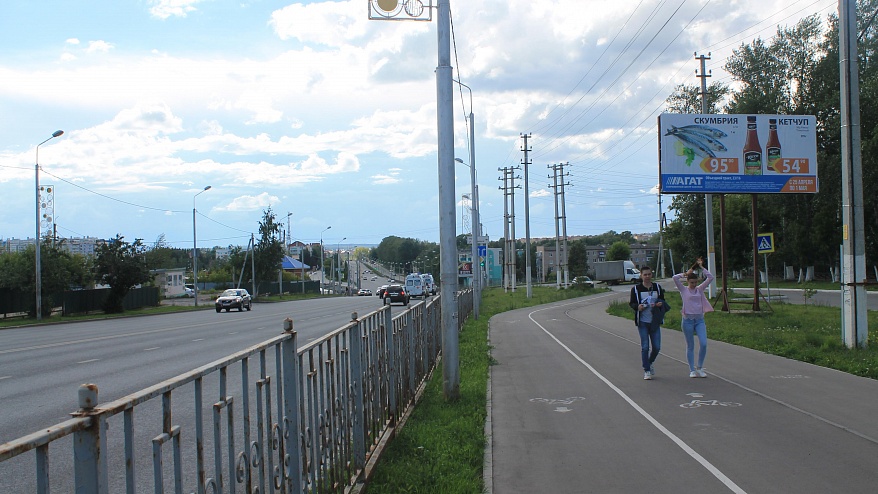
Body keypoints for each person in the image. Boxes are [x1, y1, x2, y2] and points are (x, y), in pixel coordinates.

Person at [672, 257, 715, 378]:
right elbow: (674, 278)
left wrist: (701, 267)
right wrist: (685, 274)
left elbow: (710, 277)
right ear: (687, 282)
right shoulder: (683, 290)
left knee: (704, 343)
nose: (694, 284)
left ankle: (700, 367)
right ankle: (692, 369)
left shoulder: (699, 289)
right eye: (691, 282)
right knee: (690, 345)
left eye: (695, 282)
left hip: (699, 320)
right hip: (688, 321)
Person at [629, 266, 666, 380]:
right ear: (641, 275)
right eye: (645, 274)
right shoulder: (636, 289)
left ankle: (649, 362)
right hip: (643, 322)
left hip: (654, 321)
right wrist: (638, 307)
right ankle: (647, 370)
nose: (647, 276)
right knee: (645, 347)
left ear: (651, 275)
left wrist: (660, 304)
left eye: (649, 274)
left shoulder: (657, 287)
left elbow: (662, 300)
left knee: (657, 347)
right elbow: (632, 303)